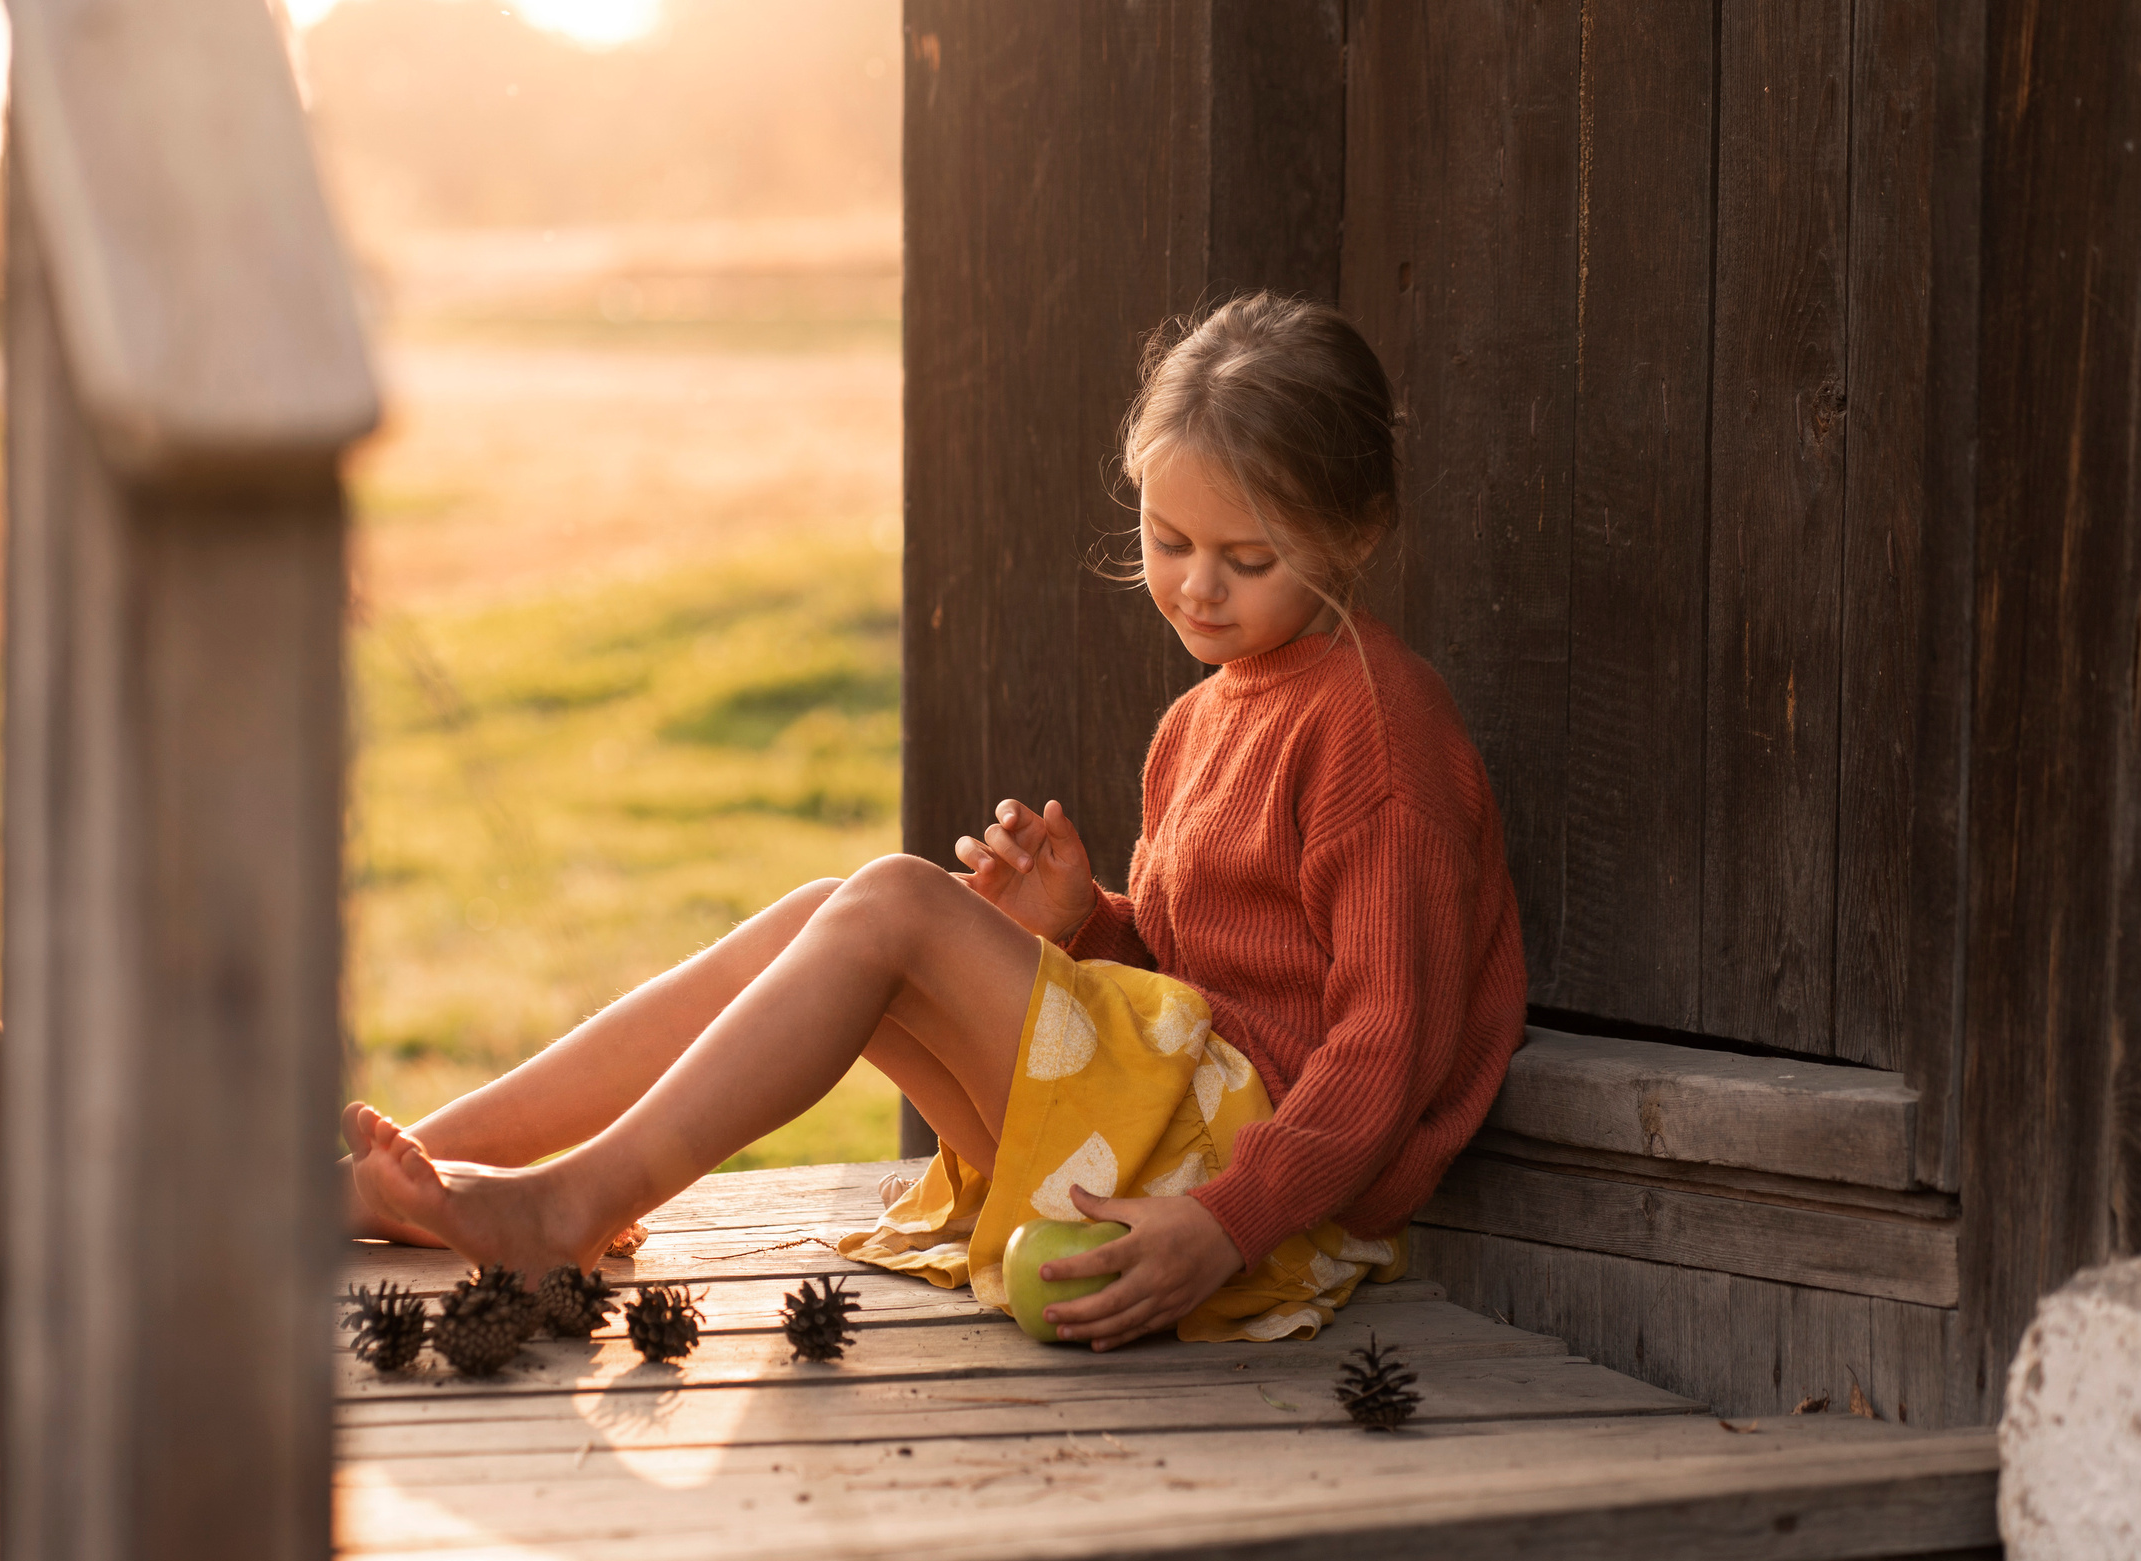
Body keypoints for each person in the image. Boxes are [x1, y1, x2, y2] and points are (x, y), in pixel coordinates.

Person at [345, 292, 1527, 1350]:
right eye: (1167, 544)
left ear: (1355, 533)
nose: (1196, 587)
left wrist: (1221, 1226)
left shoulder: (1377, 730)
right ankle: (422, 1170)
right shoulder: (1200, 720)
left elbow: (1383, 1048)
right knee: (830, 913)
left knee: (893, 903)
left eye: (1248, 557)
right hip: (1171, 1127)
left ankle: (563, 1208)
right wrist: (1087, 927)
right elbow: (1203, 975)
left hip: (1251, 1195)